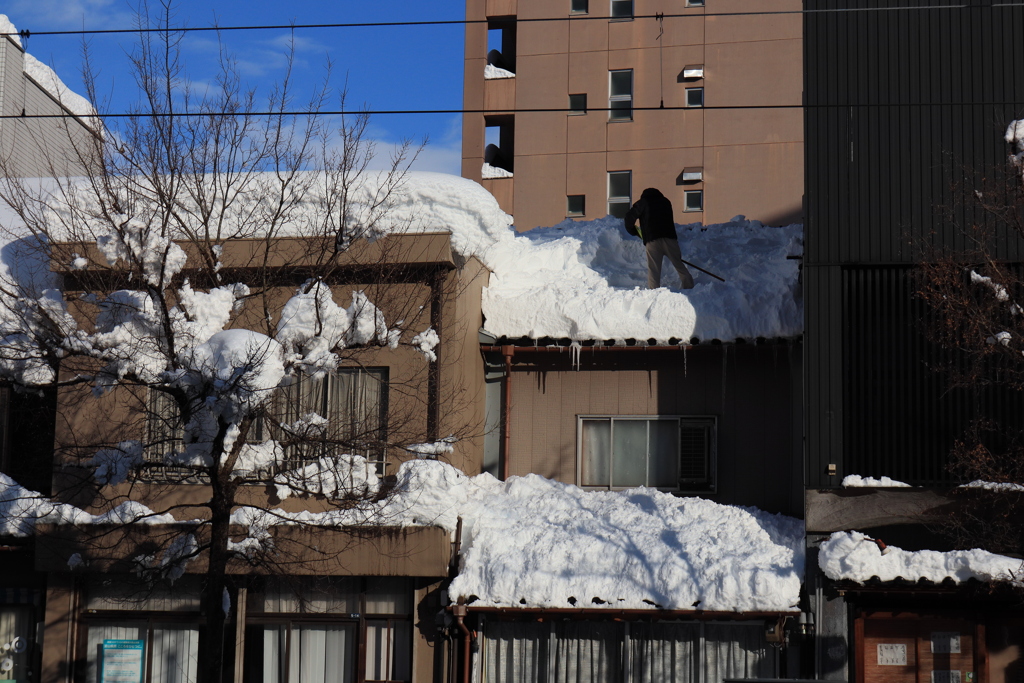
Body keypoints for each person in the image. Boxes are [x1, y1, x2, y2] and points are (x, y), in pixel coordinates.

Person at [624, 187, 695, 290]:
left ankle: (654, 291)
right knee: (678, 264)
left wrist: (633, 231)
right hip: (670, 238)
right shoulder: (666, 202)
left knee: (654, 269)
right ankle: (689, 286)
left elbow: (629, 217)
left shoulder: (643, 202)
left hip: (652, 240)